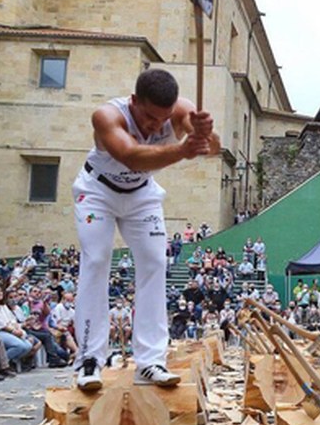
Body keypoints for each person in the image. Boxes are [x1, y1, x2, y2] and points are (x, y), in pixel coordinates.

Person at [72, 69, 219, 391]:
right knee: (96, 260)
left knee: (155, 264)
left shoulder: (180, 110)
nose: (156, 127)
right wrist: (183, 149)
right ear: (134, 101)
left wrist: (207, 132)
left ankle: (151, 361)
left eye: (163, 120)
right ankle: (88, 360)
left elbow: (214, 150)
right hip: (98, 192)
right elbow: (131, 157)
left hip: (141, 196)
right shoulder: (108, 116)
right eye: (150, 118)